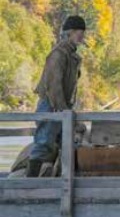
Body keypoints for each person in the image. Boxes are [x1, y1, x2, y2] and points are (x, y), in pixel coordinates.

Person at [27, 16, 86, 177]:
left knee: (66, 143)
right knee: (43, 143)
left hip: (61, 107)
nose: (82, 36)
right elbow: (54, 86)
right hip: (52, 105)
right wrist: (64, 110)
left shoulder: (71, 55)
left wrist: (67, 109)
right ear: (70, 32)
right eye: (80, 33)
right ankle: (27, 185)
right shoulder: (58, 54)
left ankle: (63, 181)